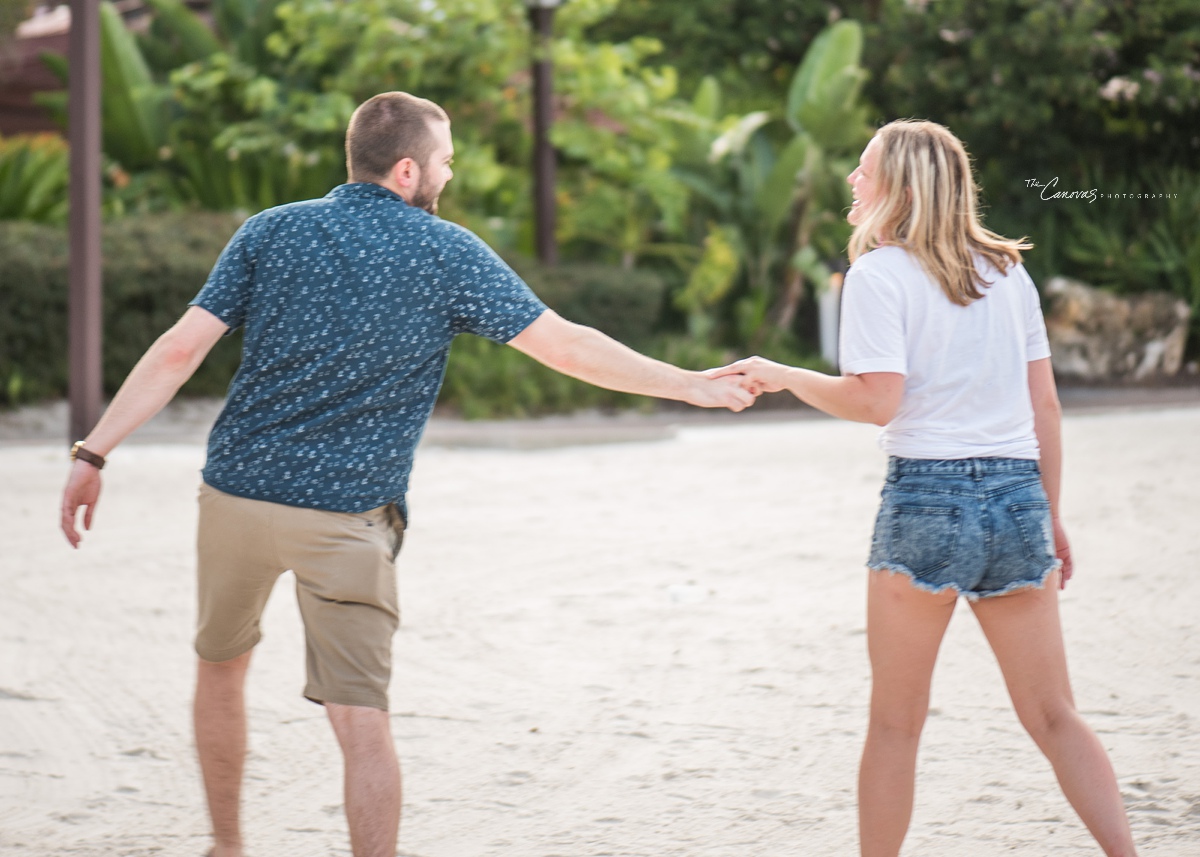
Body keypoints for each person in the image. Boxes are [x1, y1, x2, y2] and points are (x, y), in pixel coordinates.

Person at [59, 91, 755, 857]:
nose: (448, 176)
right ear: (404, 170)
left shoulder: (270, 231)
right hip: (347, 519)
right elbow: (568, 347)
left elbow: (176, 351)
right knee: (362, 724)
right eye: (445, 163)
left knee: (220, 668)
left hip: (236, 497)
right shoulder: (447, 253)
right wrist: (689, 383)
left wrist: (94, 451)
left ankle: (227, 846)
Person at [711, 120, 1138, 857]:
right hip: (1016, 501)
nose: (851, 177)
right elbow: (1045, 408)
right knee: (1054, 714)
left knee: (896, 723)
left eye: (864, 167)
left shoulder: (879, 274)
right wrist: (1050, 514)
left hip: (926, 504)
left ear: (901, 188)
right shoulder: (1010, 270)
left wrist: (780, 373)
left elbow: (878, 400)